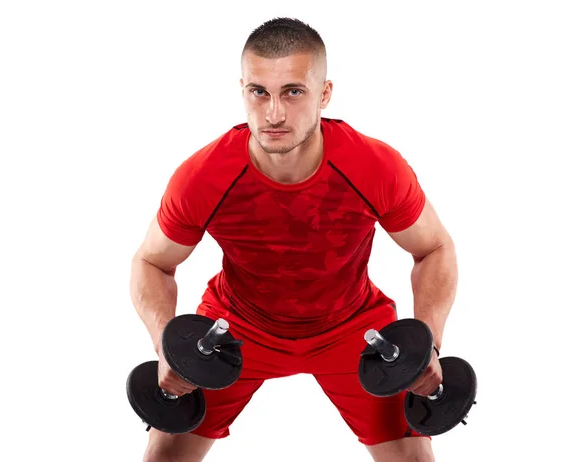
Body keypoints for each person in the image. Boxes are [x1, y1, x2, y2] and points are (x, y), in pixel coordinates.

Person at [130, 17, 457, 462]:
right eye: (259, 92)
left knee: (415, 458)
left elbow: (433, 248)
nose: (274, 113)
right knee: (162, 453)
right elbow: (151, 262)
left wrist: (430, 346)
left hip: (351, 329)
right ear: (242, 89)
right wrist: (165, 342)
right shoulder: (203, 177)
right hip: (237, 327)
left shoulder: (374, 167)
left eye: (293, 92)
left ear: (324, 94)